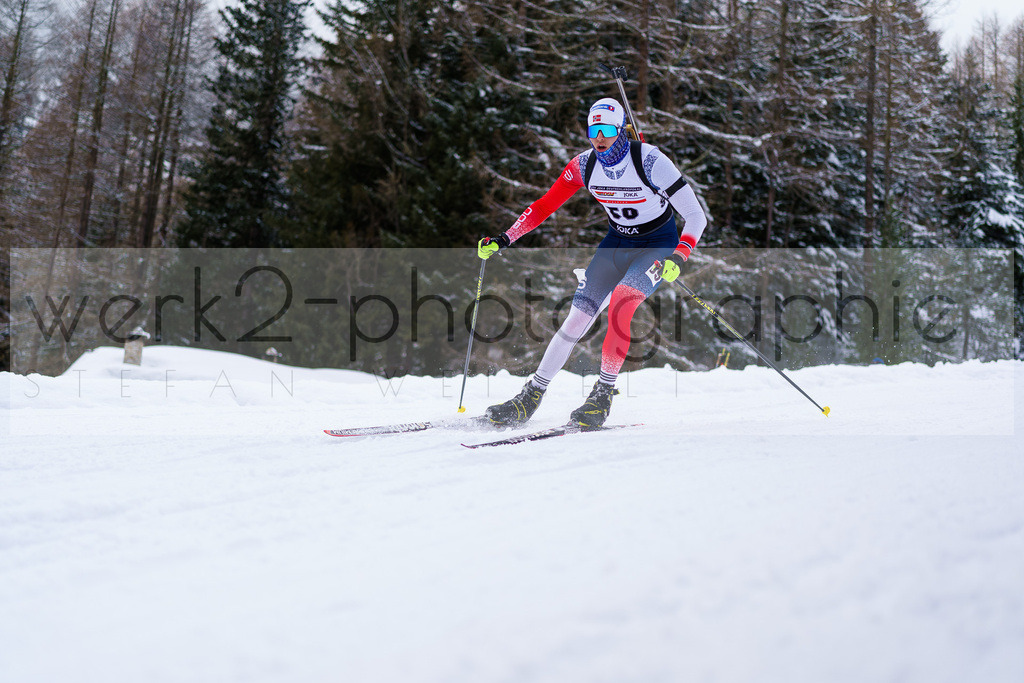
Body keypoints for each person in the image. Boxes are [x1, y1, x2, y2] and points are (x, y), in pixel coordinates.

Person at [477, 97, 707, 429]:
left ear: (621, 130)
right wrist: (504, 238)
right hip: (616, 244)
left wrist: (680, 255)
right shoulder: (584, 166)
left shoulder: (652, 161)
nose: (599, 138)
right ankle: (530, 396)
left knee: (622, 305)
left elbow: (696, 216)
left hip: (657, 246)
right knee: (575, 319)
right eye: (593, 130)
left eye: (607, 131)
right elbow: (543, 206)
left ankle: (602, 395)